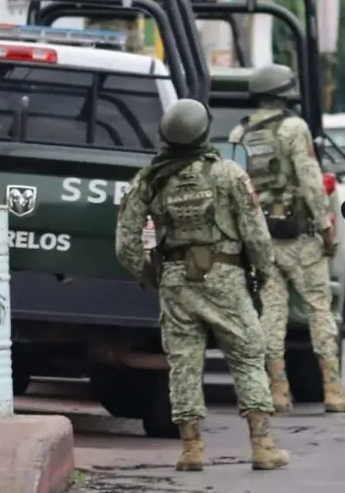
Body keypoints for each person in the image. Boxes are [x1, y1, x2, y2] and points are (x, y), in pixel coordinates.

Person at [114, 98, 290, 472]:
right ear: (204, 133)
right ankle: (262, 446)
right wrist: (263, 272)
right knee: (246, 356)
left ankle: (191, 449)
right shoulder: (228, 174)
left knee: (183, 364)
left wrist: (150, 273)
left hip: (176, 281)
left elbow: (125, 245)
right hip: (225, 277)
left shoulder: (149, 178)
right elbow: (256, 235)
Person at [228, 65, 345, 415]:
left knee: (272, 313)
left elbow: (236, 188)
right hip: (299, 238)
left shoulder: (239, 133)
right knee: (319, 308)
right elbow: (312, 181)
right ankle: (332, 389)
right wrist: (326, 225)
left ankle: (278, 391)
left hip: (263, 239)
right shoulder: (294, 128)